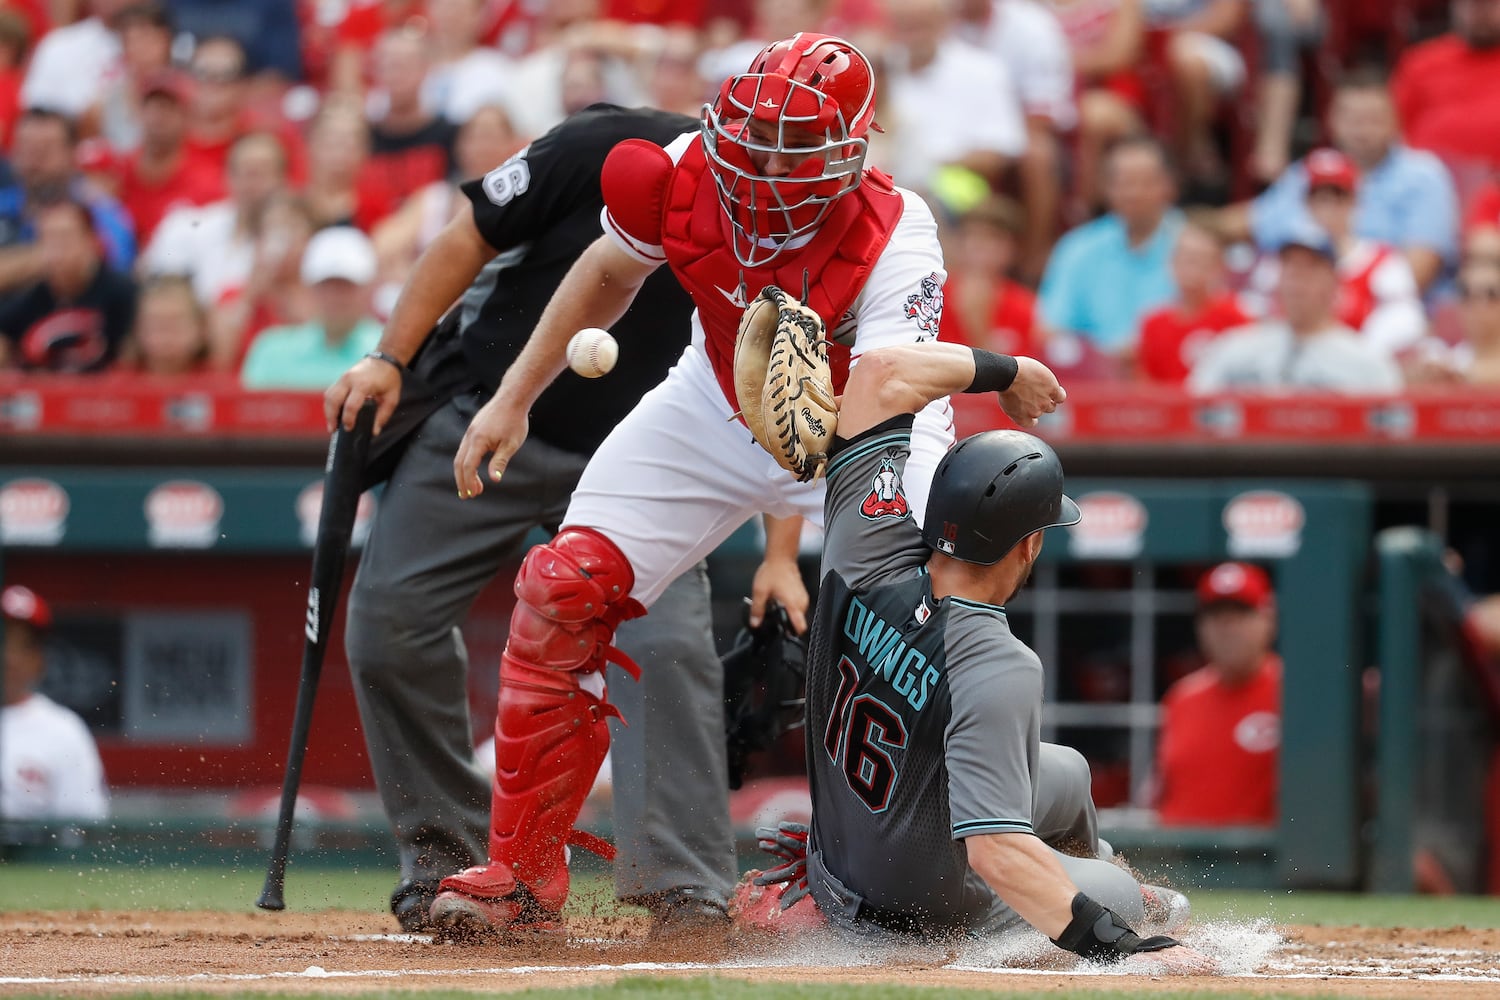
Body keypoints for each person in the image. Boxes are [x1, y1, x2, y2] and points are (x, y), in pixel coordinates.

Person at [421, 32, 1065, 938]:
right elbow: (607, 269)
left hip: (868, 434)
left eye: (794, 145)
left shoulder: (898, 226)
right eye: (755, 136)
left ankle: (895, 874)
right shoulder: (680, 170)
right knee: (561, 589)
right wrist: (513, 397)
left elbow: (885, 381)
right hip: (711, 402)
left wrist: (991, 373)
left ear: (852, 147)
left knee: (903, 644)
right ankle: (523, 876)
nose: (764, 163)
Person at [321, 104, 786, 934]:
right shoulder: (601, 146)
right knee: (389, 625)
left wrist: (781, 553)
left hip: (648, 466)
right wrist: (388, 358)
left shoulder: (794, 219)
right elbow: (469, 236)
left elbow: (790, 403)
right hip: (485, 416)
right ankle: (456, 864)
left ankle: (685, 888)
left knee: (668, 646)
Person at [729, 339, 1207, 973]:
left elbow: (879, 372)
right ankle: (1106, 897)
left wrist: (1008, 373)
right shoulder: (998, 663)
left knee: (1065, 772)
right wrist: (1120, 947)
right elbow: (996, 853)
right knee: (1114, 897)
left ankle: (1081, 878)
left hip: (840, 845)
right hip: (917, 909)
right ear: (1029, 546)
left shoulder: (866, 548)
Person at [1227, 71, 1458, 294]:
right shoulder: (1314, 168)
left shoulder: (1423, 175)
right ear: (1332, 121)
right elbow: (1251, 221)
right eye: (1352, 119)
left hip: (1386, 310)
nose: (1362, 130)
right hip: (1304, 311)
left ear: (1395, 121)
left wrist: (1338, 303)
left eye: (1373, 119)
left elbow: (1417, 272)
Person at [1246, 148, 1426, 357]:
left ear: (1355, 203)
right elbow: (1255, 315)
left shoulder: (1381, 261)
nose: (1328, 208)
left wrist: (1356, 355)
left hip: (1357, 374)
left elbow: (1407, 321)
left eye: (1338, 198)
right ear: (1305, 203)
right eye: (1319, 198)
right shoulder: (1282, 259)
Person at [1188, 221, 1403, 393]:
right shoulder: (1234, 348)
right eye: (1288, 266)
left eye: (1309, 268)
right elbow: (1193, 406)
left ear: (1333, 281)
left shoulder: (1366, 363)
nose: (1295, 279)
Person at [1155, 562, 1280, 827]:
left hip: (1260, 863)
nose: (1227, 628)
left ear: (1268, 619)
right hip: (1181, 860)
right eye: (1216, 616)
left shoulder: (1293, 692)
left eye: (1240, 614)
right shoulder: (1182, 698)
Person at [1038, 136, 1183, 356]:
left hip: (1170, 376)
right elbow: (1050, 328)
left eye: (1146, 183)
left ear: (1169, 185)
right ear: (1106, 188)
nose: (1134, 193)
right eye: (1124, 183)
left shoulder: (1193, 246)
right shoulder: (1078, 248)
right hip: (1093, 379)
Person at [876, 0, 1027, 199]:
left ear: (944, 22)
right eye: (904, 26)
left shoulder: (983, 70)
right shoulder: (880, 70)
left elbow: (999, 153)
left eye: (920, 25)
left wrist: (928, 164)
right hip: (887, 183)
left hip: (955, 189)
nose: (913, 36)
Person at [1, 585, 109, 824]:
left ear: (39, 659)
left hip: (30, 859)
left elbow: (83, 831)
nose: (9, 657)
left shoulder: (63, 731)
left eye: (23, 645)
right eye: (4, 641)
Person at [0, 108, 136, 293]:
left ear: (71, 153)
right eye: (25, 149)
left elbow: (115, 270)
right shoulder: (5, 204)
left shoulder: (97, 209)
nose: (32, 162)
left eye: (44, 151)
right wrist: (54, 255)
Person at [0, 199, 138, 372]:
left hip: (105, 394)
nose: (57, 249)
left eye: (65, 238)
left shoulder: (122, 293)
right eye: (48, 238)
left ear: (91, 240)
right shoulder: (30, 298)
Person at [241, 227, 383, 389]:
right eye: (325, 286)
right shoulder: (270, 350)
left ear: (368, 289)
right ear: (309, 288)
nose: (334, 297)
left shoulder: (390, 353)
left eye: (345, 286)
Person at [114, 70, 225, 245]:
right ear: (139, 113)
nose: (159, 116)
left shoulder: (208, 182)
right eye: (153, 106)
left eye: (170, 108)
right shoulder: (117, 171)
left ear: (187, 117)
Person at [1136, 217, 1252, 383]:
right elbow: (1147, 387)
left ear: (1218, 266)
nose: (1190, 267)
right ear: (1171, 262)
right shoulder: (1153, 323)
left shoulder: (1235, 317)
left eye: (1199, 259)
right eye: (1184, 257)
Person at [1391, 0, 1500, 170]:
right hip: (1428, 186)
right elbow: (1392, 129)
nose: (1480, 14)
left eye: (1488, 4)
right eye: (1471, 5)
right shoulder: (1420, 62)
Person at [938, 195, 1044, 360]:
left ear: (1014, 248)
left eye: (992, 237)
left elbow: (1021, 378)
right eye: (970, 236)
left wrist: (978, 326)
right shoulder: (934, 295)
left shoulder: (1025, 306)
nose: (977, 245)